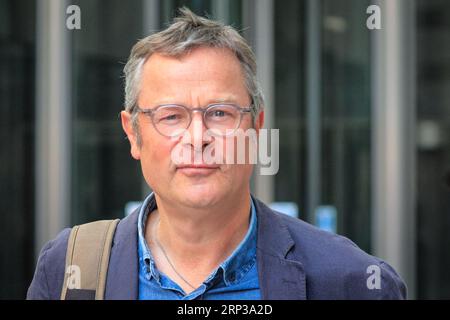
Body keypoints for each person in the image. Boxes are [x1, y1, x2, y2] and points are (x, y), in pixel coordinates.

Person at [27, 7, 406, 300]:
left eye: (220, 114)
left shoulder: (349, 280)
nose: (198, 137)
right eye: (170, 116)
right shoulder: (70, 270)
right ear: (133, 134)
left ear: (256, 129)